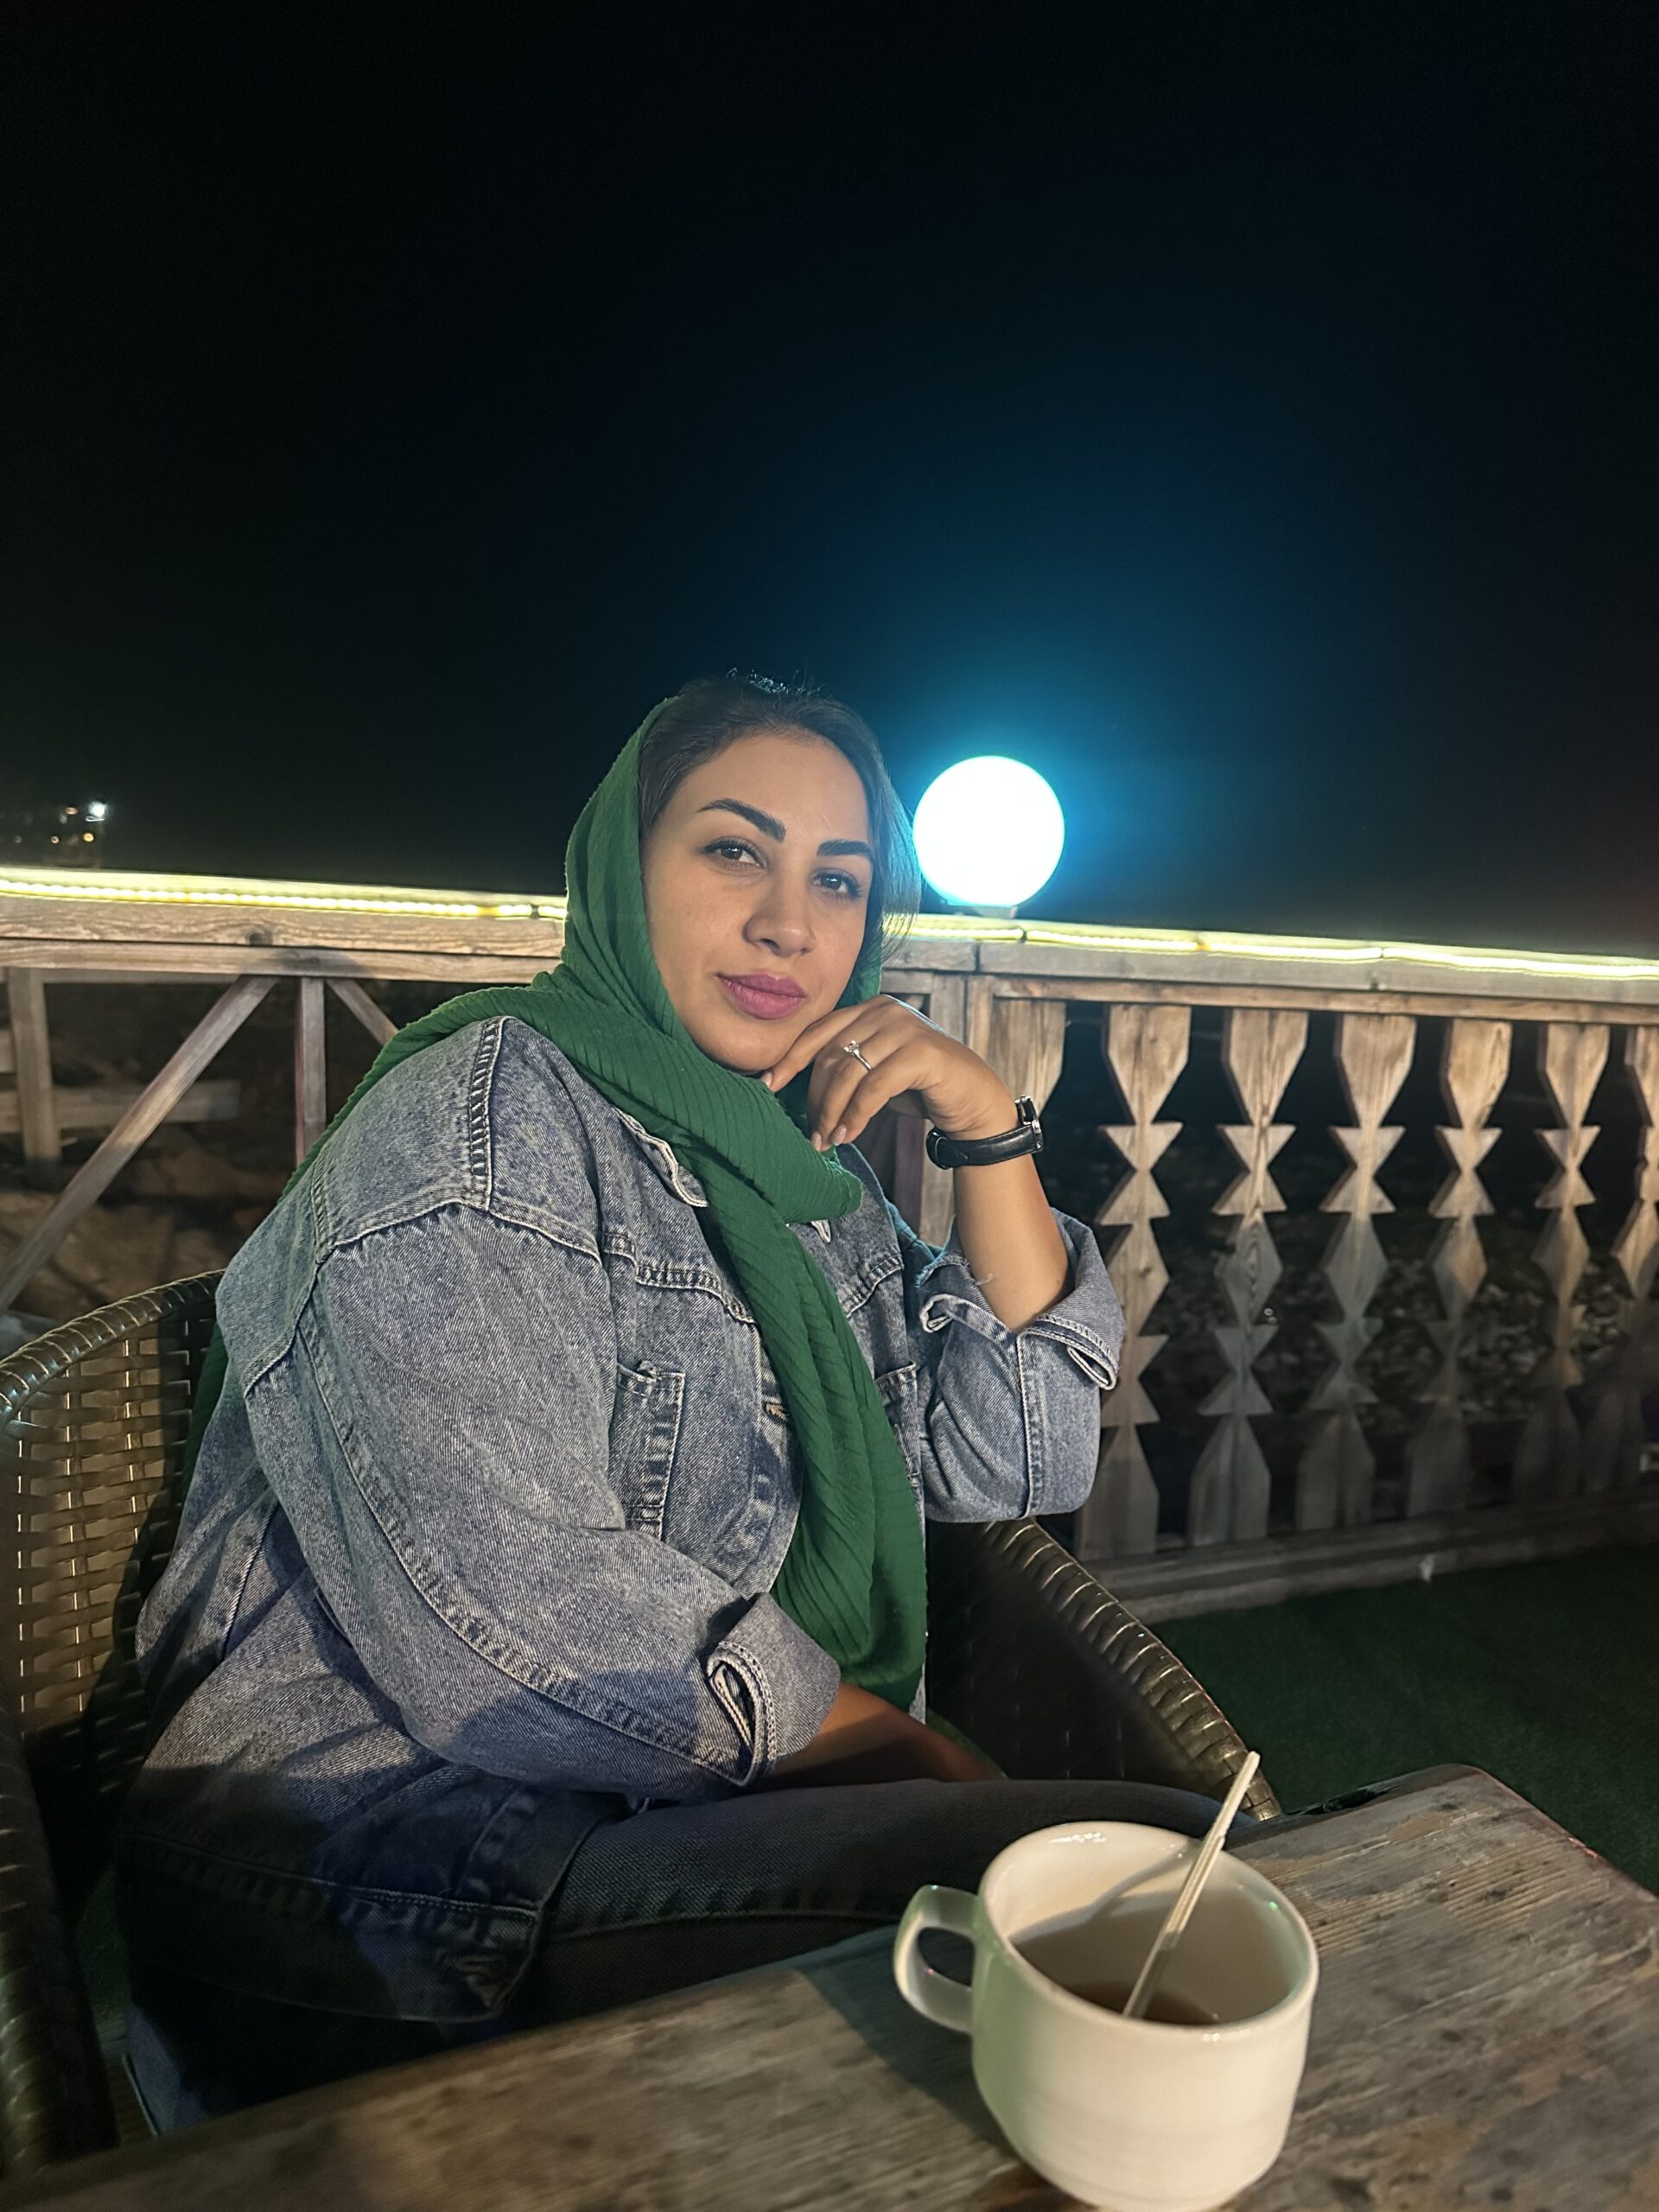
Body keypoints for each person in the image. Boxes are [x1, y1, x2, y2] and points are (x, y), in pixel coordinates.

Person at [116, 676, 1233, 2126]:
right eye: (734, 851)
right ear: (620, 868)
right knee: (1131, 1901)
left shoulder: (792, 1172)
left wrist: (989, 1131)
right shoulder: (483, 1120)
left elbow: (1016, 1455)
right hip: (400, 1863)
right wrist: (896, 1748)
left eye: (840, 880)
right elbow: (509, 1620)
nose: (790, 923)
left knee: (1159, 1898)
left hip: (651, 1809)